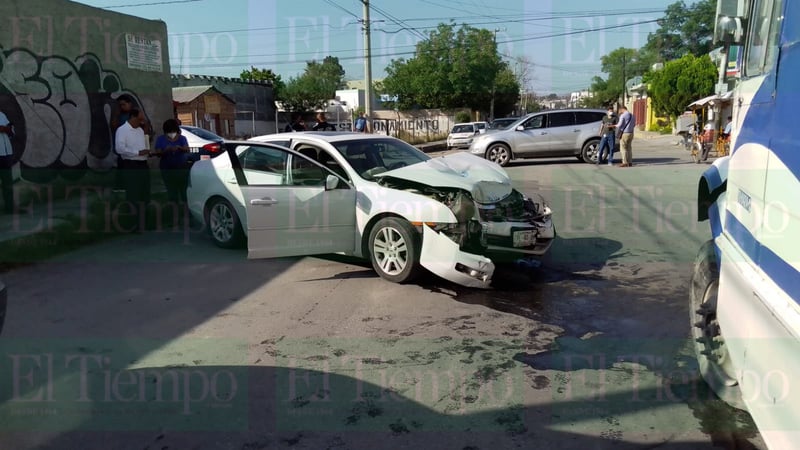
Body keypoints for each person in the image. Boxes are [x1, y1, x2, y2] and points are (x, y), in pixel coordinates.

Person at [115, 107, 152, 232]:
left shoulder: (140, 131)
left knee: (144, 194)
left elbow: (144, 146)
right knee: (133, 195)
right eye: (139, 119)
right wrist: (137, 152)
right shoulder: (122, 130)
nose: (141, 122)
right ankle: (134, 225)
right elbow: (120, 149)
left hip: (143, 165)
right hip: (131, 165)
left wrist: (147, 152)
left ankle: (144, 223)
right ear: (133, 117)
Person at [111, 95, 150, 193]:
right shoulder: (122, 126)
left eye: (124, 104)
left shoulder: (139, 126)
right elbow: (114, 128)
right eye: (120, 105)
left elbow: (146, 131)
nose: (122, 107)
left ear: (130, 104)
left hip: (142, 162)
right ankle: (120, 187)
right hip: (129, 158)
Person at [153, 119, 190, 204]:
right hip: (167, 168)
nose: (172, 134)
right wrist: (165, 150)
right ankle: (174, 211)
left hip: (181, 168)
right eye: (169, 132)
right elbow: (158, 152)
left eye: (173, 131)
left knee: (184, 191)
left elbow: (187, 149)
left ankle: (186, 211)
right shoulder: (161, 139)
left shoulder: (182, 138)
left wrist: (180, 148)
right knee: (172, 191)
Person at [0, 109, 14, 214]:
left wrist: (7, 129)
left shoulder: (2, 114)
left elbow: (11, 132)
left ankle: (10, 208)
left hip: (6, 153)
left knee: (7, 182)